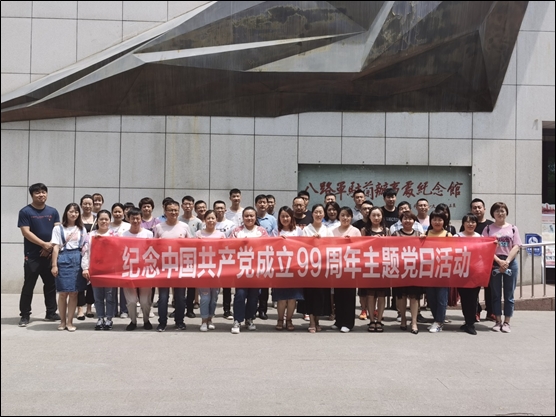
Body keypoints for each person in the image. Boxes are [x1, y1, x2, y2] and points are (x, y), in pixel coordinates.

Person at [17, 183, 61, 327]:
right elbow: (26, 232)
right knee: (28, 285)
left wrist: (49, 247)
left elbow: (57, 232)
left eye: (43, 192)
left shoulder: (53, 211)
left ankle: (51, 312)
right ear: (32, 195)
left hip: (49, 255)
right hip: (32, 256)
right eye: (37, 192)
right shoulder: (25, 212)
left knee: (50, 285)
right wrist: (43, 244)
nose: (41, 195)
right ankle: (24, 315)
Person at [153, 199, 194, 332]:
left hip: (180, 268)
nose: (173, 212)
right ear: (165, 211)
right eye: (170, 210)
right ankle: (162, 322)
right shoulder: (158, 227)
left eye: (176, 210)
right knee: (163, 297)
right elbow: (153, 247)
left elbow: (191, 246)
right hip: (163, 268)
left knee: (180, 297)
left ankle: (179, 321)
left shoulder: (184, 227)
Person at [482, 202, 522, 333]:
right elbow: (485, 247)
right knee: (496, 294)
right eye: (497, 211)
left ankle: (507, 322)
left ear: (506, 212)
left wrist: (507, 261)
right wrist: (499, 262)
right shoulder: (488, 229)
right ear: (492, 214)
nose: (500, 213)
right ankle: (497, 321)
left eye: (502, 211)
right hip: (495, 262)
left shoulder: (513, 228)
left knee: (509, 295)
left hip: (511, 262)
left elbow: (516, 246)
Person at [229, 207, 269, 334]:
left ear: (256, 217)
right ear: (243, 217)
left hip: (256, 270)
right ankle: (237, 320)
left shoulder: (261, 231)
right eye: (246, 216)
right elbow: (229, 246)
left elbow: (268, 246)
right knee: (240, 295)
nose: (249, 218)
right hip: (240, 269)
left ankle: (249, 318)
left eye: (252, 216)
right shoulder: (237, 231)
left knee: (254, 296)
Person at [50, 203, 88, 331]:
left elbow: (85, 248)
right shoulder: (58, 228)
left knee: (74, 293)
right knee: (62, 293)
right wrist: (54, 265)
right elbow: (55, 247)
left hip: (77, 259)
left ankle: (70, 322)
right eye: (71, 211)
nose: (73, 214)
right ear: (66, 212)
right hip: (63, 259)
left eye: (76, 212)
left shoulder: (82, 229)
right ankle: (62, 321)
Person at [300, 204, 333, 333]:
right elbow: (302, 246)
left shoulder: (327, 230)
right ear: (312, 214)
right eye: (316, 212)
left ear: (324, 214)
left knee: (321, 295)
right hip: (309, 268)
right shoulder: (306, 230)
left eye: (320, 212)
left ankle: (318, 320)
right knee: (310, 295)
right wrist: (312, 240)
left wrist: (322, 241)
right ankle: (312, 321)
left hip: (323, 268)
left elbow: (332, 246)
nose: (318, 215)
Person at [81, 209, 116, 330]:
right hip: (95, 270)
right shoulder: (90, 235)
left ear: (110, 221)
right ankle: (100, 318)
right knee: (98, 296)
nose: (104, 221)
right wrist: (85, 268)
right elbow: (85, 252)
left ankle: (109, 319)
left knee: (110, 296)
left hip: (110, 271)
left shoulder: (114, 235)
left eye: (106, 219)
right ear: (97, 221)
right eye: (101, 219)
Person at [122, 207, 154, 331]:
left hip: (145, 271)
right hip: (129, 271)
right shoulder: (123, 235)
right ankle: (133, 321)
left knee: (145, 301)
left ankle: (146, 320)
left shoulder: (149, 234)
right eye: (133, 218)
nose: (135, 221)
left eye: (137, 218)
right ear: (128, 219)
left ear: (141, 219)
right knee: (131, 301)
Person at [391, 211, 424, 334]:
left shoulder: (419, 235)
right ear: (401, 221)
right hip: (400, 270)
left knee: (414, 297)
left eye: (410, 219)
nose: (407, 221)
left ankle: (414, 322)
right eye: (405, 218)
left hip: (414, 270)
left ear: (414, 221)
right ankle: (403, 318)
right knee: (402, 296)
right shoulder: (395, 234)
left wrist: (424, 240)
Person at [462, 198, 494, 321]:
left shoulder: (490, 225)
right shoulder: (466, 226)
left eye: (479, 207)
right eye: (474, 207)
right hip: (470, 264)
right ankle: (476, 310)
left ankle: (490, 311)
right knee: (473, 289)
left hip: (487, 262)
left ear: (484, 209)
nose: (477, 210)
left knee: (489, 288)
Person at [273, 206, 304, 331]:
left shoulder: (298, 231)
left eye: (287, 216)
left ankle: (289, 319)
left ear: (291, 217)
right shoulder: (275, 231)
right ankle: (280, 319)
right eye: (282, 216)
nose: (285, 219)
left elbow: (304, 246)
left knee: (292, 298)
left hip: (294, 269)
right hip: (280, 269)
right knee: (281, 298)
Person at [195, 210, 226, 331]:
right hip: (203, 270)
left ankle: (210, 319)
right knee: (205, 297)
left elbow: (226, 251)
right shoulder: (198, 234)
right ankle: (203, 320)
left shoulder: (221, 235)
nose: (211, 220)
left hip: (216, 270)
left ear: (216, 220)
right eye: (208, 218)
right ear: (204, 220)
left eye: (213, 218)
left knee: (214, 298)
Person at [331, 207, 360, 333]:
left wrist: (351, 242)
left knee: (348, 296)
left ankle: (348, 323)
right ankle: (339, 321)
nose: (345, 218)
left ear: (351, 217)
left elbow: (360, 248)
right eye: (342, 215)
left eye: (348, 215)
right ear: (339, 217)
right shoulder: (333, 231)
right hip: (337, 267)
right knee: (338, 296)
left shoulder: (355, 231)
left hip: (350, 268)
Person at [423, 210, 452, 333]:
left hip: (443, 271)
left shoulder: (447, 235)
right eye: (434, 219)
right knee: (431, 298)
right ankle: (436, 320)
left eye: (440, 219)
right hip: (429, 271)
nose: (437, 222)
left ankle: (439, 322)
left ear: (444, 221)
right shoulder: (426, 234)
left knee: (441, 298)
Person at [362, 206, 390, 332]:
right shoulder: (365, 230)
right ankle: (371, 320)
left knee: (381, 295)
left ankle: (379, 320)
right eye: (373, 215)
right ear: (369, 217)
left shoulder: (387, 230)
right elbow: (361, 247)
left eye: (379, 215)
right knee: (370, 295)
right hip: (369, 266)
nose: (376, 218)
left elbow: (391, 247)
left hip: (382, 266)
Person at [455, 213, 482, 335]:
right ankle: (467, 321)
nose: (470, 224)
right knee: (464, 298)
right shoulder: (457, 237)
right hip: (461, 271)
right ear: (463, 223)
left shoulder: (480, 237)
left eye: (473, 222)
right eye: (468, 222)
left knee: (473, 298)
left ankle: (471, 323)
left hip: (475, 272)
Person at [254, 194, 278, 320]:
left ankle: (263, 309)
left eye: (264, 202)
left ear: (267, 204)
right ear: (256, 204)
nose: (262, 204)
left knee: (264, 285)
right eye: (260, 202)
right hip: (253, 256)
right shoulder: (251, 217)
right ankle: (253, 308)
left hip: (266, 255)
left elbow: (275, 236)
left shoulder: (272, 220)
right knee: (253, 284)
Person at [178, 195, 202, 319]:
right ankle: (178, 308)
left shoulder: (198, 222)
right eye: (185, 204)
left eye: (190, 204)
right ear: (182, 206)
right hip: (179, 256)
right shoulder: (178, 220)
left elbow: (200, 237)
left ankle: (190, 308)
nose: (188, 206)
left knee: (192, 285)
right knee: (179, 285)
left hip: (193, 256)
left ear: (193, 206)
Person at [213, 200, 236, 319]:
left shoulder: (231, 224)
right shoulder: (210, 222)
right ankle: (211, 310)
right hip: (213, 259)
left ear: (225, 210)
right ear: (214, 209)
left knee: (227, 286)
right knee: (213, 286)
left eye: (222, 208)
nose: (220, 210)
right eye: (217, 208)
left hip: (227, 258)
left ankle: (227, 310)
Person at [109, 203, 131, 319]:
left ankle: (124, 310)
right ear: (112, 213)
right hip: (111, 260)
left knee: (124, 286)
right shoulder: (107, 225)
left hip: (125, 259)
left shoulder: (128, 226)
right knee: (112, 286)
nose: (117, 214)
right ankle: (112, 310)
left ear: (123, 213)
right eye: (115, 212)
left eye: (119, 212)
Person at [77, 194, 96, 320]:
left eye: (90, 204)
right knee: (79, 281)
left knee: (91, 282)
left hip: (93, 253)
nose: (87, 206)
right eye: (85, 203)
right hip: (78, 253)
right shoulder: (77, 219)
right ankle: (80, 308)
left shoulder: (97, 219)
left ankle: (89, 308)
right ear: (81, 205)